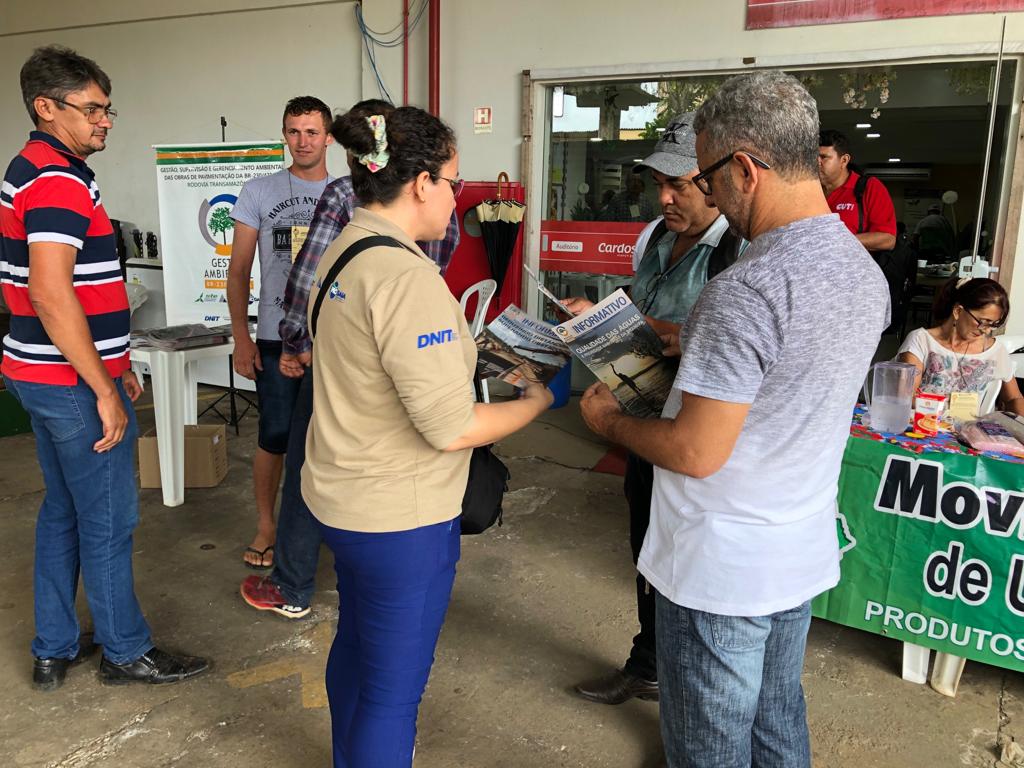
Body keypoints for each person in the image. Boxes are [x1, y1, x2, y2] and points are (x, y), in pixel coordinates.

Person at [579, 71, 889, 767]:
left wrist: (607, 422)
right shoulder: (859, 270)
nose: (709, 195)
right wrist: (691, 340)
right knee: (777, 721)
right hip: (797, 546)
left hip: (721, 566)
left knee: (708, 744)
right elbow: (791, 371)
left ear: (745, 169)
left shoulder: (745, 288)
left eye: (709, 178)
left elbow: (695, 451)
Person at [305, 105, 552, 767]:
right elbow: (453, 427)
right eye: (452, 182)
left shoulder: (345, 247)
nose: (455, 197)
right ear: (420, 184)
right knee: (393, 694)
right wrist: (538, 401)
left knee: (357, 649)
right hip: (400, 517)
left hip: (342, 497)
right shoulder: (405, 278)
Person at [1, 45, 208, 690]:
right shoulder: (60, 180)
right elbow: (49, 292)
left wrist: (115, 366)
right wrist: (103, 388)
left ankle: (54, 647)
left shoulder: (29, 166)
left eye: (107, 109)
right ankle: (125, 650)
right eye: (92, 109)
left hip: (37, 374)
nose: (105, 121)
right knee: (111, 520)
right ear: (46, 107)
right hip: (68, 385)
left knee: (63, 510)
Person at [238, 99, 460, 619]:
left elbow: (306, 277)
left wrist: (295, 343)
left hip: (340, 356)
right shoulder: (433, 215)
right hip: (404, 358)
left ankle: (293, 585)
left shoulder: (345, 196)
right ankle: (370, 576)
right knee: (394, 461)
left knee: (311, 459)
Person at [568, 113, 743, 707]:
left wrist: (657, 328)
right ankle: (648, 663)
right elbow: (642, 315)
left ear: (715, 183)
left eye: (679, 186)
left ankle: (692, 696)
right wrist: (599, 321)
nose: (664, 198)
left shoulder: (738, 252)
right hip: (644, 421)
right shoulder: (657, 240)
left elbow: (731, 345)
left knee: (690, 565)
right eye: (658, 185)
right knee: (647, 548)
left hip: (695, 436)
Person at [227, 96, 335, 569]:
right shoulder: (259, 191)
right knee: (274, 434)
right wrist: (242, 337)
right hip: (275, 336)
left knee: (331, 438)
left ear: (329, 137)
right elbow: (238, 271)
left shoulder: (348, 193)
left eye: (312, 132)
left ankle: (324, 523)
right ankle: (268, 526)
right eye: (294, 131)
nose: (302, 141)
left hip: (334, 339)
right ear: (284, 135)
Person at [898, 277, 1024, 415]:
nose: (986, 331)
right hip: (924, 423)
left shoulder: (995, 350)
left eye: (993, 324)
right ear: (958, 311)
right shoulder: (921, 341)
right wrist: (946, 407)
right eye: (983, 322)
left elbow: (1014, 398)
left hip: (969, 427)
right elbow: (905, 397)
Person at [819, 128, 897, 252]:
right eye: (813, 157)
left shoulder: (869, 187)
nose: (817, 162)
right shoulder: (808, 190)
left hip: (853, 263)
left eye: (823, 157)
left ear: (844, 160)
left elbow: (887, 239)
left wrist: (838, 241)